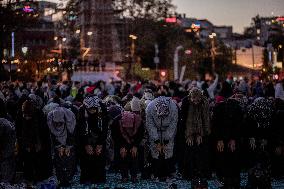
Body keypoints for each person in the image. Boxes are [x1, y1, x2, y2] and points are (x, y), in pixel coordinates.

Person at [16, 100, 52, 186]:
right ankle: (29, 178)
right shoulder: (20, 114)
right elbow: (19, 131)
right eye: (25, 115)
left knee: (40, 161)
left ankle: (40, 178)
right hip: (26, 143)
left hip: (40, 143)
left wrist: (39, 144)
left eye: (28, 116)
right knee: (28, 161)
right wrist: (24, 144)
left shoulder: (39, 115)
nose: (26, 117)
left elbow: (44, 133)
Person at [180, 87, 210, 186]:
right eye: (194, 100)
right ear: (190, 98)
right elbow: (185, 120)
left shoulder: (204, 102)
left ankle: (201, 173)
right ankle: (189, 173)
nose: (196, 102)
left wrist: (200, 134)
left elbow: (205, 119)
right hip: (187, 130)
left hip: (202, 131)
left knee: (201, 152)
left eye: (198, 100)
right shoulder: (186, 102)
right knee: (189, 151)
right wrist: (189, 135)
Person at [212, 98, 243, 188]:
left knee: (233, 153)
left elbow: (238, 125)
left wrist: (233, 139)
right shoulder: (219, 109)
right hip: (220, 134)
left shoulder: (238, 110)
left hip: (233, 135)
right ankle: (221, 177)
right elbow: (215, 125)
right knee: (221, 153)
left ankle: (233, 178)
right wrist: (219, 139)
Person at [146, 96, 178, 181]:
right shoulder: (150, 107)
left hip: (168, 129)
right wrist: (157, 141)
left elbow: (173, 125)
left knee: (168, 150)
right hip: (155, 129)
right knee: (155, 151)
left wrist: (166, 140)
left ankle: (169, 173)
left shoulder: (174, 107)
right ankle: (155, 172)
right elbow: (150, 125)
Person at [78, 95, 108, 184]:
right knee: (86, 157)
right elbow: (81, 129)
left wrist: (100, 144)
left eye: (94, 109)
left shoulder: (102, 109)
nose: (92, 111)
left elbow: (105, 128)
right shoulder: (82, 110)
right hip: (85, 136)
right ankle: (86, 178)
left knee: (99, 156)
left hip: (99, 135)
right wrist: (86, 144)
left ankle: (99, 178)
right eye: (90, 109)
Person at [245, 97, 274, 189]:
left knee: (258, 161)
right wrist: (252, 137)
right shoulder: (267, 110)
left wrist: (263, 138)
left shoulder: (252, 110)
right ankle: (259, 181)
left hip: (259, 140)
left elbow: (269, 127)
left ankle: (258, 181)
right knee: (257, 161)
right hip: (257, 139)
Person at [47, 106, 76, 187]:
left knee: (68, 159)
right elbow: (52, 135)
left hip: (69, 142)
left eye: (60, 123)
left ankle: (68, 178)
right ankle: (60, 179)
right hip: (57, 144)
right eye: (56, 123)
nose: (58, 125)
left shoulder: (70, 119)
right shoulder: (50, 119)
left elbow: (72, 134)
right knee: (58, 160)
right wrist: (59, 146)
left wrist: (68, 147)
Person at [0, 118, 16, 183]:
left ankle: (7, 181)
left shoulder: (5, 126)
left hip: (8, 139)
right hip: (6, 140)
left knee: (7, 161)